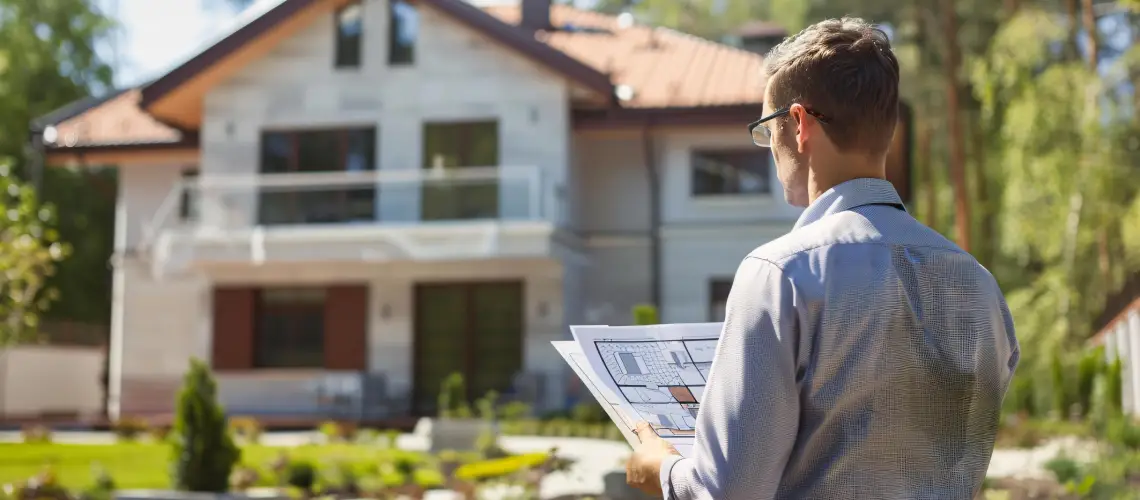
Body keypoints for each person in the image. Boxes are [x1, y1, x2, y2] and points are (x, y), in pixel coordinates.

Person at [625, 17, 1019, 499]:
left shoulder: (781, 275)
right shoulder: (980, 286)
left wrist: (660, 470)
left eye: (766, 129)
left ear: (799, 123)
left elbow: (730, 493)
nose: (769, 147)